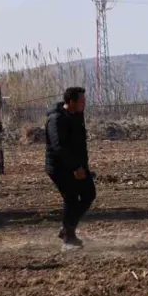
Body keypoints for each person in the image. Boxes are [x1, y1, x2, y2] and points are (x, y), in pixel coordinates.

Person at [45, 86, 96, 250]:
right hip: (60, 167)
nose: (84, 104)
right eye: (82, 101)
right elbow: (58, 147)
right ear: (72, 102)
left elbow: (79, 143)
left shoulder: (77, 114)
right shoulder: (56, 119)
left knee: (89, 194)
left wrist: (83, 166)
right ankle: (68, 239)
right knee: (71, 199)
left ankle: (66, 229)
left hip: (78, 165)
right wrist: (75, 167)